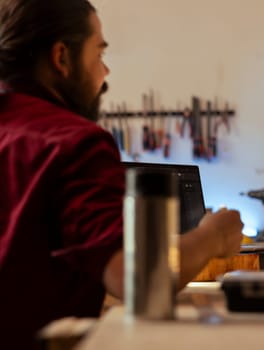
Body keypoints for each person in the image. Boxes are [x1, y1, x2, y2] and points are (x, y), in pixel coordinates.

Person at [0, 0, 243, 348]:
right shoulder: (74, 142)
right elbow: (138, 280)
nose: (105, 72)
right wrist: (212, 237)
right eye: (99, 53)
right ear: (61, 58)